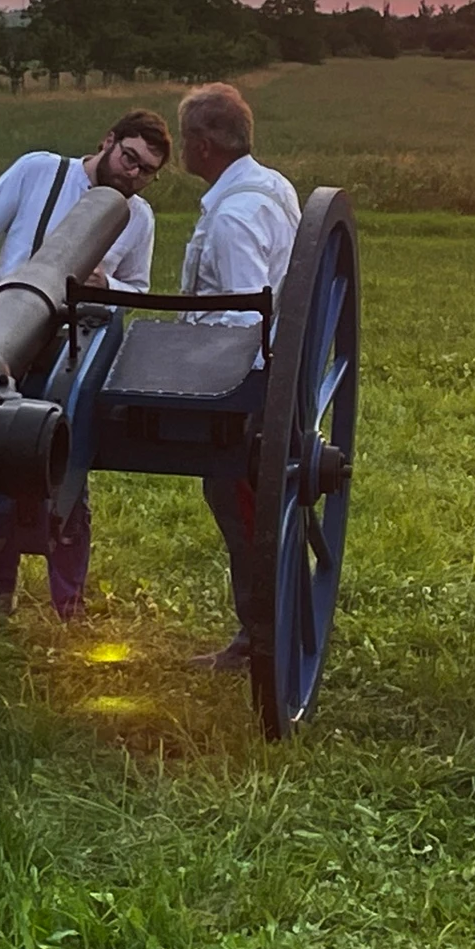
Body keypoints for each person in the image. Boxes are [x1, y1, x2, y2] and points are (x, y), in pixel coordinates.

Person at [0, 109, 169, 619]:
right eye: (128, 157)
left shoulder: (138, 218)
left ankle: (66, 601)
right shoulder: (38, 171)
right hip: (2, 330)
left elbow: (138, 289)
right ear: (107, 140)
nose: (132, 174)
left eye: (146, 171)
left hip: (74, 344)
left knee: (63, 468)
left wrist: (107, 287)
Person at [175, 83, 302, 672]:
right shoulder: (273, 186)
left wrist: (217, 402)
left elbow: (244, 315)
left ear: (202, 146)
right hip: (278, 375)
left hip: (245, 387)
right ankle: (266, 628)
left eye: (184, 140)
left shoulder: (232, 217)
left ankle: (259, 639)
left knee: (239, 502)